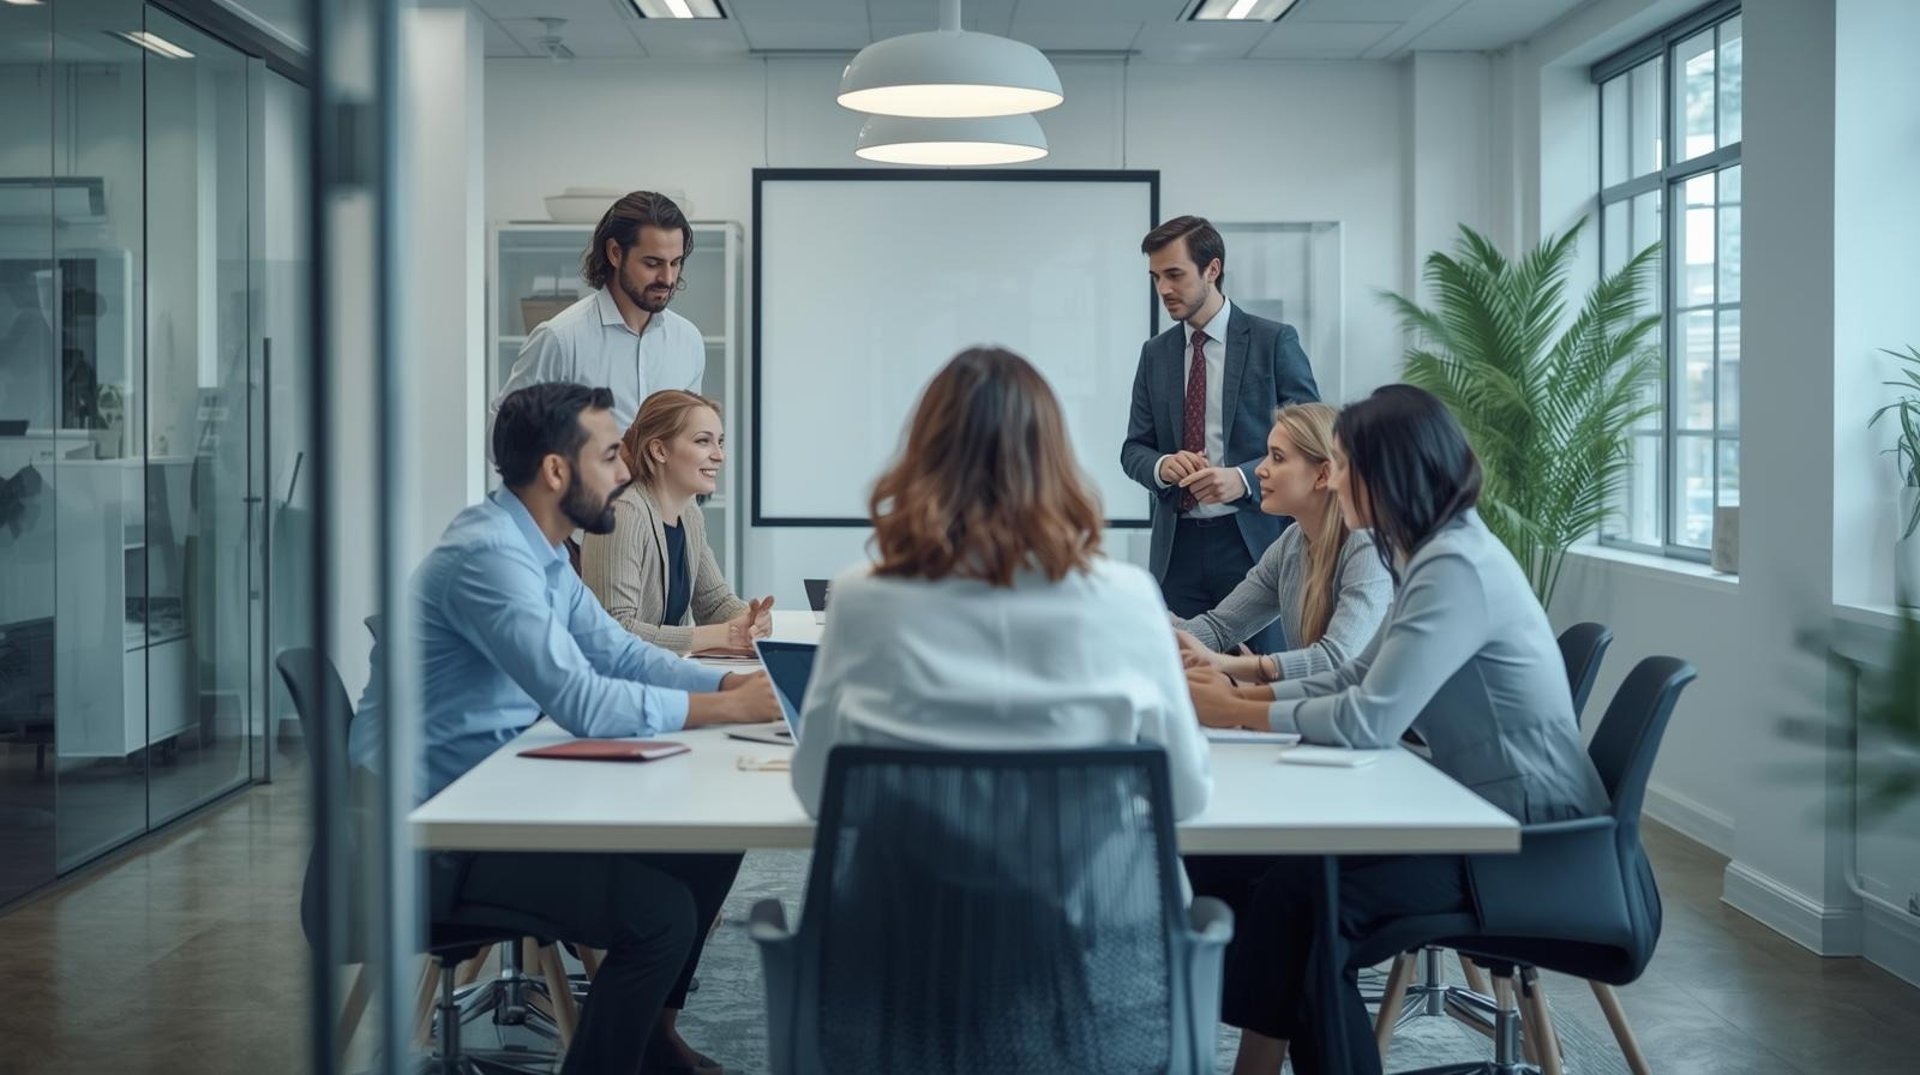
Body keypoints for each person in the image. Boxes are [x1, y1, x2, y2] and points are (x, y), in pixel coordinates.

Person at [1180, 384, 1610, 1075]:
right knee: (1272, 878)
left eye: (1345, 464)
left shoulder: (1453, 567)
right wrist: (1240, 691)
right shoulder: (1430, 554)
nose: (1337, 477)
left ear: (1387, 473)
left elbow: (1368, 719)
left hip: (1527, 847)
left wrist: (1241, 708)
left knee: (1306, 906)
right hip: (1477, 816)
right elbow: (1356, 679)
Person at [351, 382, 779, 1075]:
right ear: (557, 471)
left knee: (709, 845)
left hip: (497, 789)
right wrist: (727, 709)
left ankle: (649, 1045)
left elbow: (617, 652)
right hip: (431, 832)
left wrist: (726, 682)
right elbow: (582, 698)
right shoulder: (489, 557)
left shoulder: (541, 550)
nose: (623, 472)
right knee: (661, 916)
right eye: (611, 455)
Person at [792, 346, 1211, 822]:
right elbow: (1186, 795)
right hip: (1088, 895)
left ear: (925, 458)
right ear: (1053, 460)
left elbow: (814, 790)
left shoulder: (862, 597)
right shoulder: (1127, 598)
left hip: (908, 894)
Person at [1121, 215, 1320, 657]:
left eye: (1175, 275)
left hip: (1255, 542)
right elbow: (1133, 448)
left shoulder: (1274, 342)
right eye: (1156, 277)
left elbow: (1314, 442)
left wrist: (1245, 479)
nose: (1163, 290)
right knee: (1180, 672)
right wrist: (1160, 466)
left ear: (1212, 270)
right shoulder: (1155, 354)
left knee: (1262, 675)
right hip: (1178, 551)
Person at [1171, 402, 1392, 685]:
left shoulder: (1367, 545)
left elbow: (1335, 659)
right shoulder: (1291, 543)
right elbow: (1220, 628)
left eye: (1277, 457)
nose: (1260, 470)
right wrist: (1157, 630)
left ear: (1323, 475)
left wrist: (1229, 667)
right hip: (1321, 716)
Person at [491, 191, 706, 439]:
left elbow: (691, 439)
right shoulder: (560, 339)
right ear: (615, 253)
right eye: (652, 263)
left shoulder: (688, 341)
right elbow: (501, 436)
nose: (668, 279)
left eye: (675, 262)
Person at [581, 389, 773, 655]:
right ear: (659, 450)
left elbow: (714, 604)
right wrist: (724, 634)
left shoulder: (690, 513)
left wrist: (751, 621)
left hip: (664, 676)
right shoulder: (623, 512)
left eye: (720, 442)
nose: (719, 455)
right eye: (703, 441)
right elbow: (615, 630)